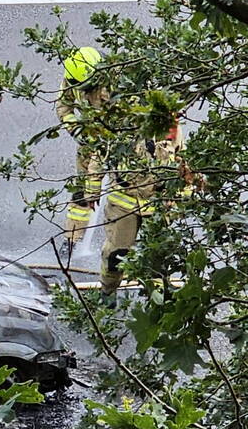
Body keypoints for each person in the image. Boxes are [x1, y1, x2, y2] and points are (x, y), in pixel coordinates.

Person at [100, 124, 183, 296]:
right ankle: (107, 293)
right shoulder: (121, 122)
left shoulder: (170, 127)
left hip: (157, 205)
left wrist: (177, 196)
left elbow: (183, 162)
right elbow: (99, 155)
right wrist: (89, 193)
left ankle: (157, 299)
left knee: (157, 257)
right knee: (117, 254)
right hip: (123, 204)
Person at [56, 47, 110, 256]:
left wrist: (94, 187)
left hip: (119, 139)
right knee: (81, 191)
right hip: (91, 135)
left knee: (131, 192)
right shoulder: (73, 76)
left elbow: (106, 149)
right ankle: (71, 240)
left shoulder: (113, 84)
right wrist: (77, 129)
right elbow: (64, 105)